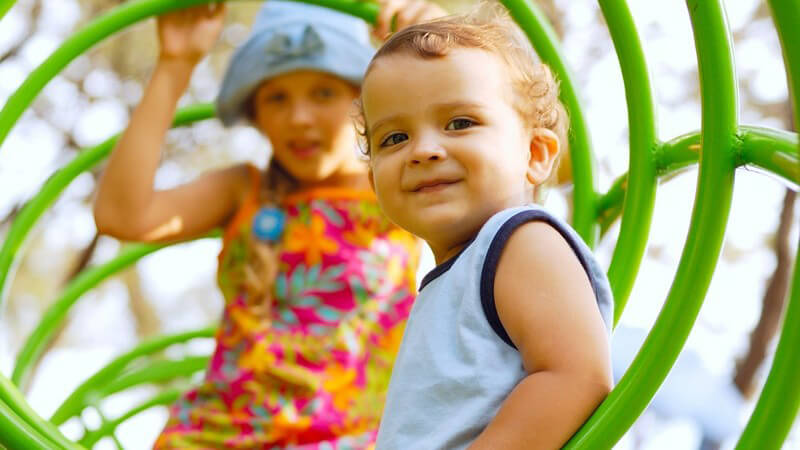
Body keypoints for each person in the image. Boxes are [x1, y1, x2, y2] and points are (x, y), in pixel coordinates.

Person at [93, 0, 445, 448]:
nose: (299, 117)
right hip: (219, 436)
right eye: (277, 98)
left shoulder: (397, 185)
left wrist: (438, 48)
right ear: (256, 115)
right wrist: (175, 65)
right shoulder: (244, 190)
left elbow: (504, 163)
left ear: (368, 106)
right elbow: (121, 215)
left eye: (323, 93)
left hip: (351, 437)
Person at [358, 6, 614, 449]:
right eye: (394, 138)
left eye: (460, 123)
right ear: (373, 179)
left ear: (535, 153)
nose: (423, 150)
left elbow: (575, 374)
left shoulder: (520, 239)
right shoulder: (460, 275)